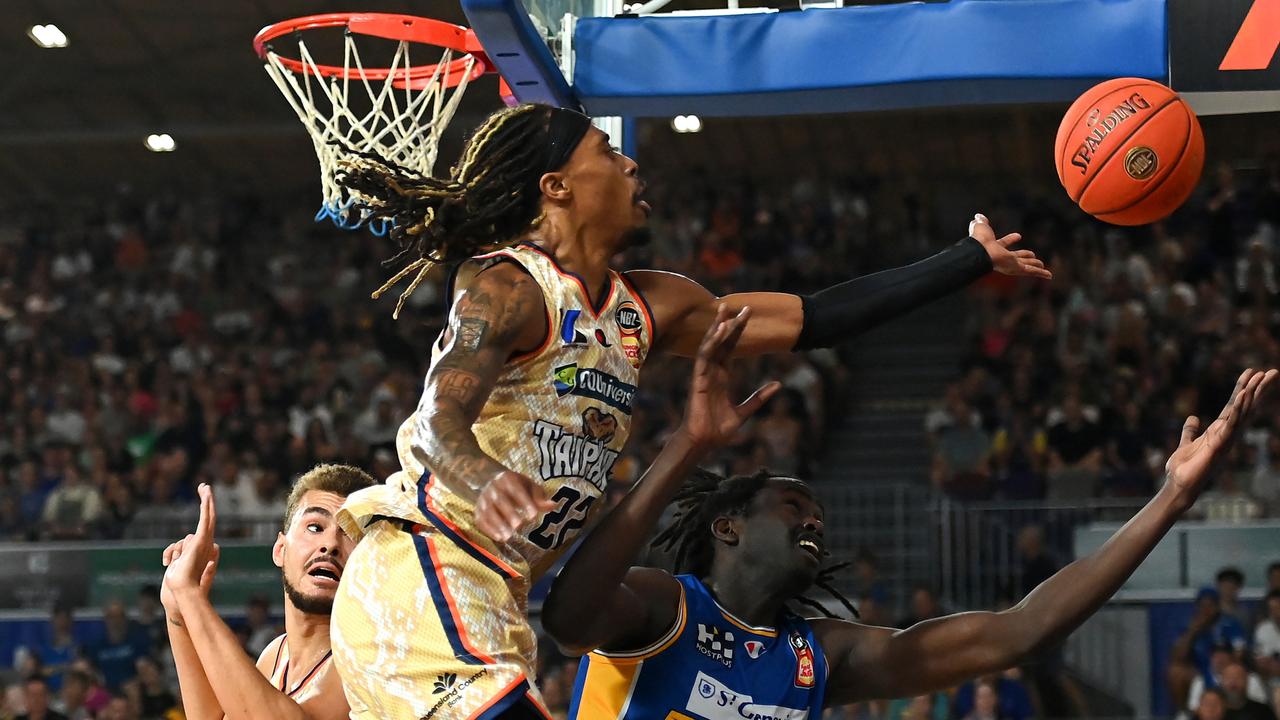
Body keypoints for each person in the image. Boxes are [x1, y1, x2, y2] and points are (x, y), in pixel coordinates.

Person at [329, 103, 1053, 718]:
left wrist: (967, 260)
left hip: (497, 600)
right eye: (608, 153)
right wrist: (484, 479)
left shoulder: (650, 306)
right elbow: (433, 423)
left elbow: (812, 318)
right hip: (425, 569)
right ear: (556, 186)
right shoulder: (510, 286)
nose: (633, 166)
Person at [540, 308, 1277, 716]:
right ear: (726, 526)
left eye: (819, 513)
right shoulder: (665, 606)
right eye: (794, 503)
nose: (815, 522)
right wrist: (687, 446)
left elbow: (1017, 632)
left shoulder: (818, 656)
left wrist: (1171, 497)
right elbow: (569, 619)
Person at [160, 463, 376, 720]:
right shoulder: (275, 654)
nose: (330, 545)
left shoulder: (368, 658)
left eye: (350, 533)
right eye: (315, 527)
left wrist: (190, 596)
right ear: (280, 550)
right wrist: (177, 613)